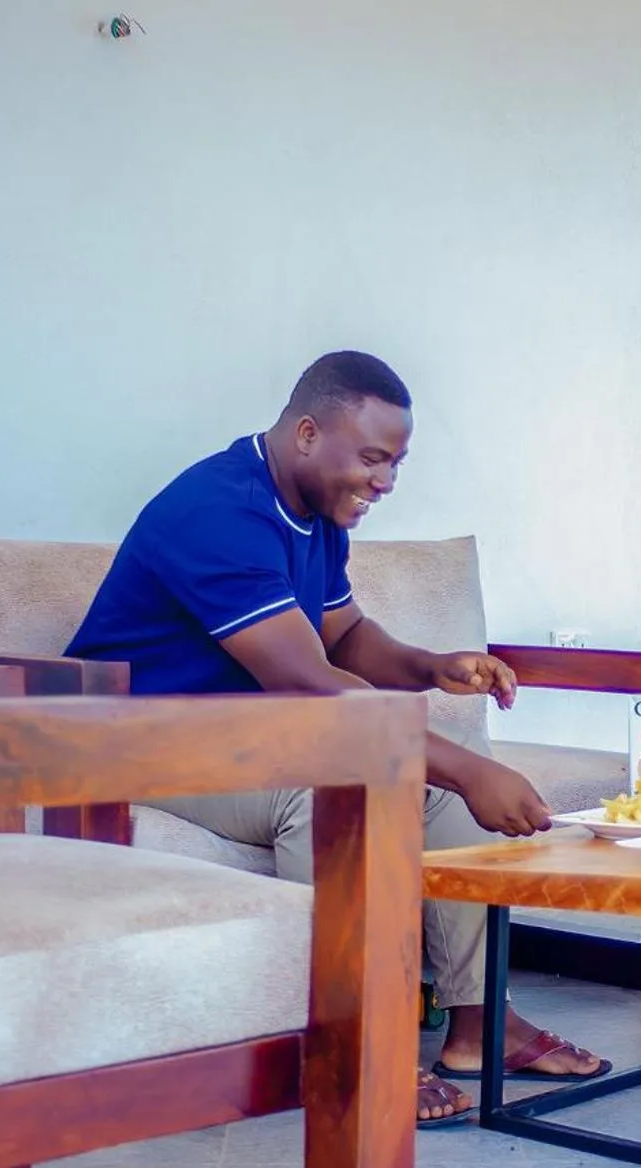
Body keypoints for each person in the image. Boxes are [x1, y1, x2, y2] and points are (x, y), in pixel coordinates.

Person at [67, 350, 608, 1127]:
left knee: (439, 795)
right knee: (328, 789)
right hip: (140, 742)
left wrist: (431, 665)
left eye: (397, 462)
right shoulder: (216, 511)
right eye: (374, 457)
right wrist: (460, 767)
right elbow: (310, 685)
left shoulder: (315, 512)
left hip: (247, 733)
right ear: (310, 433)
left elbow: (344, 636)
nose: (385, 480)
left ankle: (481, 1021)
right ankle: (351, 1034)